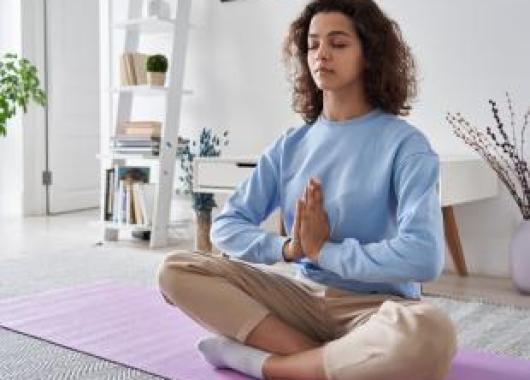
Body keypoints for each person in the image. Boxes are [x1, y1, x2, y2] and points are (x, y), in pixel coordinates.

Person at [157, 0, 457, 379]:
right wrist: (289, 249)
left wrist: (323, 252)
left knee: (431, 331)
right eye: (313, 44)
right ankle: (328, 361)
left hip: (378, 308)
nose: (322, 55)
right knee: (176, 270)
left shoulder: (406, 145)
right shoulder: (291, 145)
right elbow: (227, 225)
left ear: (370, 54)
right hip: (301, 302)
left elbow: (424, 257)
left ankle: (265, 364)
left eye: (338, 43)